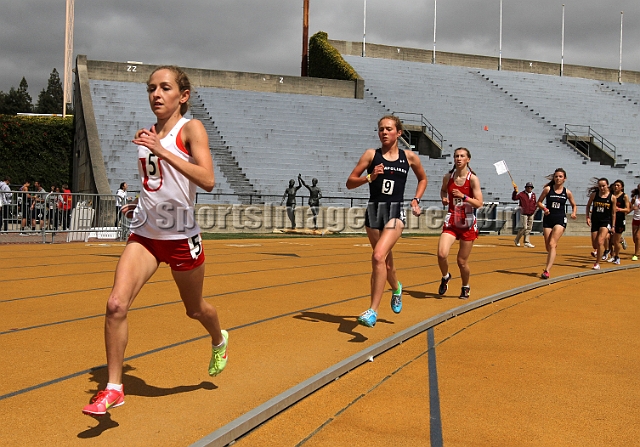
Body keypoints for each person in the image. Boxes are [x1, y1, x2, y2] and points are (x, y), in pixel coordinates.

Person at [82, 65, 228, 416]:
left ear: (183, 95)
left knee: (194, 309)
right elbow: (157, 183)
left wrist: (162, 150)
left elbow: (207, 180)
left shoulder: (190, 129)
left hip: (181, 236)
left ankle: (219, 337)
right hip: (146, 234)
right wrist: (140, 202)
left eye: (165, 88)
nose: (156, 94)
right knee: (116, 304)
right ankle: (114, 387)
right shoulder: (147, 135)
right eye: (151, 88)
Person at [346, 115, 427, 327]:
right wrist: (369, 177)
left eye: (389, 129)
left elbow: (423, 178)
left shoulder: (409, 157)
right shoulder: (370, 155)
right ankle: (397, 288)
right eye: (381, 129)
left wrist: (416, 199)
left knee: (378, 256)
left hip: (394, 212)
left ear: (398, 133)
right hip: (373, 213)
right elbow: (350, 183)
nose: (384, 132)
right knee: (386, 263)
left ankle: (372, 311)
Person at [437, 147, 483, 299]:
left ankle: (465, 286)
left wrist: (464, 197)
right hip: (452, 219)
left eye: (462, 156)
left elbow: (479, 203)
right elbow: (443, 190)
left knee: (461, 261)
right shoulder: (448, 177)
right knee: (441, 253)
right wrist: (444, 198)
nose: (458, 158)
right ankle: (445, 276)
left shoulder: (473, 179)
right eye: (456, 156)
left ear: (468, 159)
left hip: (467, 221)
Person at [537, 168, 577, 279]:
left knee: (552, 244)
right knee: (548, 246)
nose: (558, 178)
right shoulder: (548, 189)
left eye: (560, 176)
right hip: (548, 219)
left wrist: (573, 213)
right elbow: (539, 202)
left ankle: (547, 270)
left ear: (564, 179)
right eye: (556, 176)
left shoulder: (567, 192)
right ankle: (553, 250)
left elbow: (574, 205)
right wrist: (544, 209)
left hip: (560, 219)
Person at [586, 178, 615, 270]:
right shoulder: (594, 195)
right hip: (595, 221)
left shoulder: (612, 197)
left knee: (600, 242)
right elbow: (588, 206)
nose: (602, 188)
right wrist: (587, 217)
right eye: (600, 186)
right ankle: (599, 252)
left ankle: (597, 263)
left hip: (606, 221)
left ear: (607, 186)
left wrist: (613, 226)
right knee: (595, 245)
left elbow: (613, 213)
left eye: (603, 186)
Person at [607, 179, 629, 265]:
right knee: (608, 239)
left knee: (615, 241)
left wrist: (619, 209)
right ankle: (612, 255)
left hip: (620, 219)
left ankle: (617, 256)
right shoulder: (611, 195)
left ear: (622, 187)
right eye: (615, 185)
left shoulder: (624, 196)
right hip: (610, 219)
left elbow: (627, 209)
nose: (616, 187)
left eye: (618, 185)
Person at [512, 181, 537, 248]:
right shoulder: (521, 194)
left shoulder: (533, 195)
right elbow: (514, 198)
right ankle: (517, 239)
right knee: (524, 227)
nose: (529, 188)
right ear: (526, 188)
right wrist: (515, 191)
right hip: (524, 213)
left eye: (530, 187)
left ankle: (527, 242)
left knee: (529, 228)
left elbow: (534, 203)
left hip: (531, 213)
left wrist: (534, 209)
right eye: (528, 187)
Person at [630, 184, 640, 261]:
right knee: (634, 239)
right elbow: (629, 207)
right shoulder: (635, 198)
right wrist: (633, 208)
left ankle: (636, 254)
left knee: (637, 236)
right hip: (635, 219)